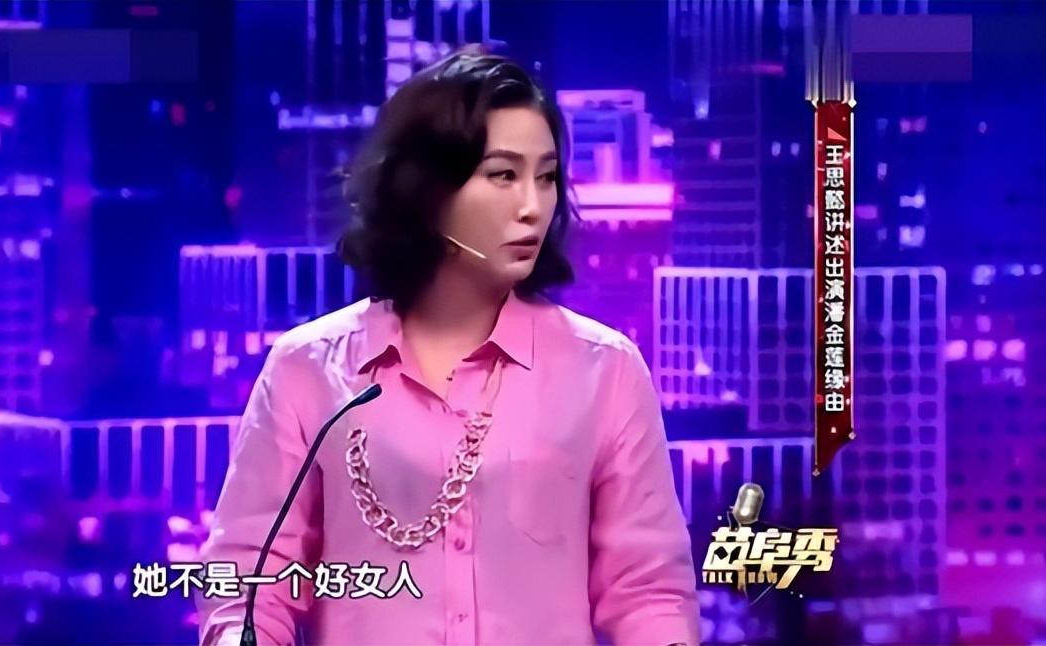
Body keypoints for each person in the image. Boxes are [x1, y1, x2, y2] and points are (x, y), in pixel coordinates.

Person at [197, 47, 701, 646]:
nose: (532, 207)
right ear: (428, 190)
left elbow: (649, 593)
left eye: (546, 177)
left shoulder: (604, 370)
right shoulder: (306, 370)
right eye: (503, 175)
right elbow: (249, 585)